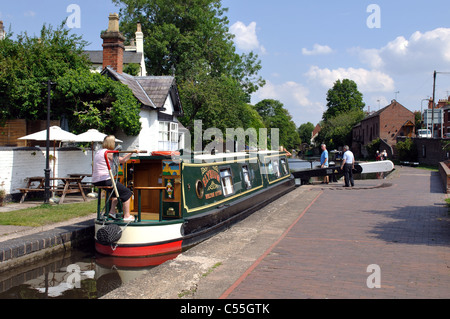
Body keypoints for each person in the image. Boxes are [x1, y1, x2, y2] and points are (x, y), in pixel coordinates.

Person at [92, 135, 137, 222]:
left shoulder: (98, 152)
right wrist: (132, 152)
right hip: (105, 180)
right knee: (127, 193)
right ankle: (127, 216)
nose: (114, 144)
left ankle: (112, 212)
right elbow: (123, 160)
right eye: (113, 142)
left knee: (116, 193)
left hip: (96, 180)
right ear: (110, 143)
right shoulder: (108, 152)